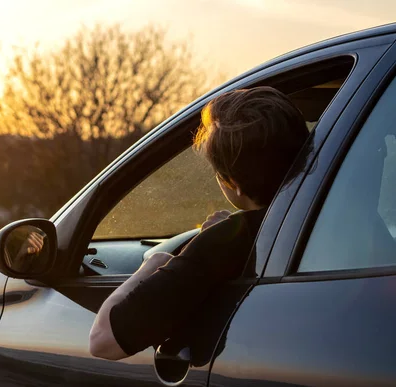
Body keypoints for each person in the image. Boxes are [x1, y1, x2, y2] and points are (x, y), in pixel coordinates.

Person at [89, 86, 310, 360]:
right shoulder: (331, 215)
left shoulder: (223, 244)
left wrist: (154, 264)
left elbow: (102, 341)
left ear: (235, 184)